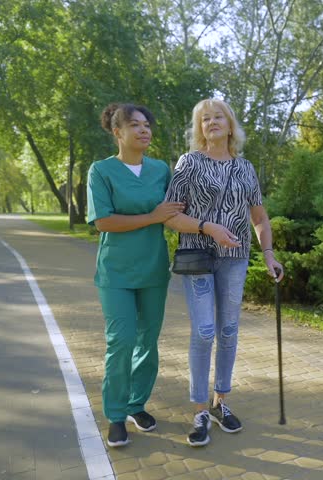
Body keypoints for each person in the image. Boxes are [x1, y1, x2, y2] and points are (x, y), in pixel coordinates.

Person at [165, 98, 284, 447]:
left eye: (218, 117)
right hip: (198, 256)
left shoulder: (246, 168)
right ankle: (200, 410)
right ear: (200, 129)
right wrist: (207, 227)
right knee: (204, 332)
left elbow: (259, 217)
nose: (212, 122)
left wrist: (269, 254)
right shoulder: (189, 163)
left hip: (235, 259)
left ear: (230, 126)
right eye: (205, 119)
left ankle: (221, 402)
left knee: (228, 330)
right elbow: (171, 216)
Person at [87, 102, 185, 447]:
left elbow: (178, 211)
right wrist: (153, 216)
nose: (145, 130)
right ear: (118, 132)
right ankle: (115, 415)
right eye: (136, 125)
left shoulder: (161, 170)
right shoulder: (101, 171)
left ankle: (136, 404)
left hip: (154, 269)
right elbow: (103, 221)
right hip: (115, 272)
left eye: (147, 125)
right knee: (121, 342)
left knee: (148, 342)